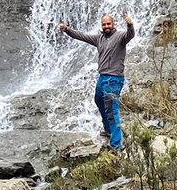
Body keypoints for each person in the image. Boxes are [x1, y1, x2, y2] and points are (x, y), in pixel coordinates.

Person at [58, 12, 135, 151]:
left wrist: (130, 24)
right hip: (102, 78)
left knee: (112, 110)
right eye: (104, 24)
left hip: (114, 79)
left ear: (113, 24)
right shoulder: (99, 38)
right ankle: (108, 129)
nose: (106, 26)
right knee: (98, 100)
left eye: (108, 24)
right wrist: (67, 30)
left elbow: (131, 35)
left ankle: (116, 145)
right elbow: (81, 36)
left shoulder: (120, 37)